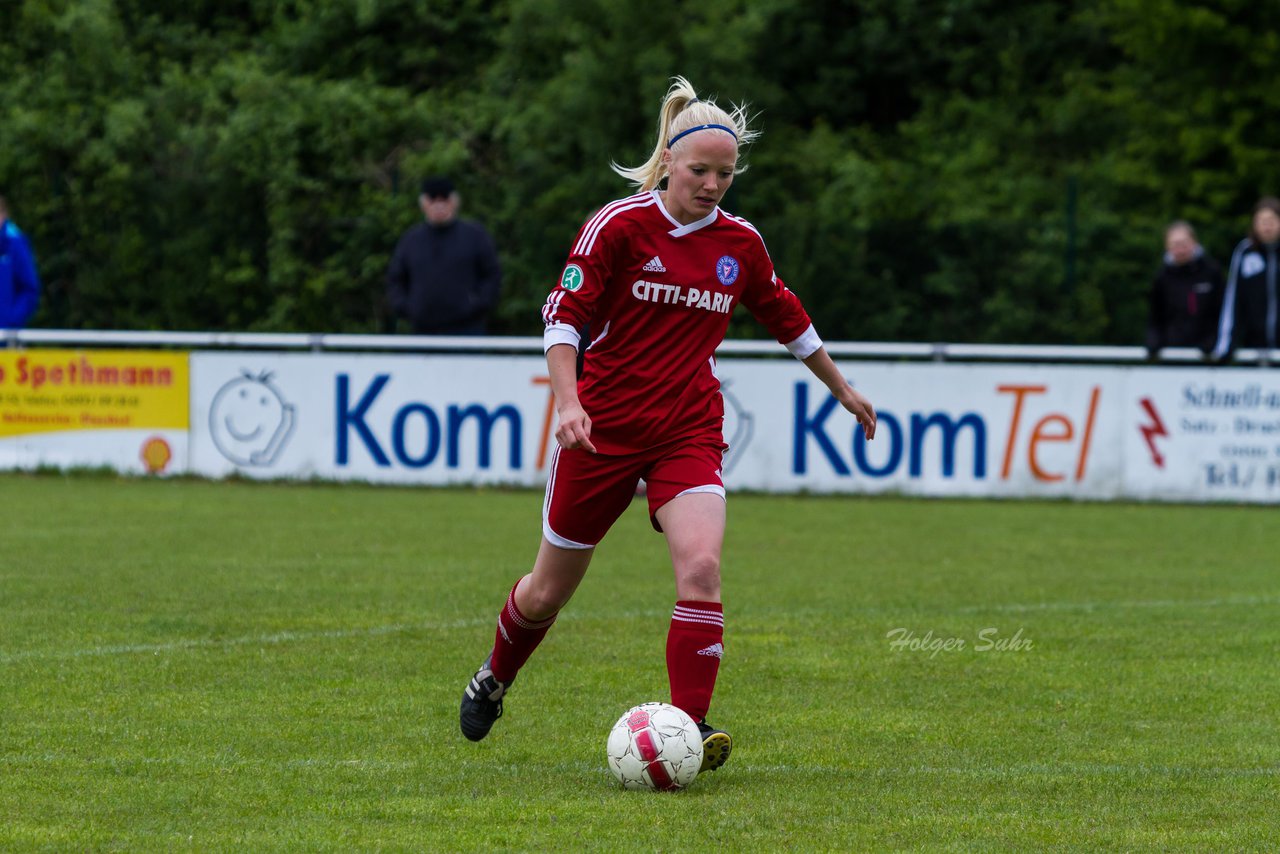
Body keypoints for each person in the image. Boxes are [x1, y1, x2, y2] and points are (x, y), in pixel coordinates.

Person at [458, 77, 877, 776]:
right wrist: (568, 401)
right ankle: (494, 677)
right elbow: (563, 318)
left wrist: (843, 387)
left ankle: (690, 723)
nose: (713, 185)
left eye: (726, 174)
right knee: (547, 591)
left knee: (703, 568)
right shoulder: (619, 227)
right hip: (603, 430)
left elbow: (785, 315)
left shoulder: (739, 244)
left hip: (687, 425)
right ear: (670, 164)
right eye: (700, 171)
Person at [385, 176, 501, 335]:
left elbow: (492, 275)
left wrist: (477, 304)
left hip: (467, 330)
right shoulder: (411, 240)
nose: (439, 204)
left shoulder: (475, 236)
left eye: (444, 198)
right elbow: (395, 279)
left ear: (454, 201)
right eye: (432, 199)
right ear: (423, 203)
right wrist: (408, 308)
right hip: (421, 331)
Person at [1213, 197, 1280, 361]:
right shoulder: (1245, 252)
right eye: (1262, 221)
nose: (1267, 226)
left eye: (1272, 220)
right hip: (1252, 347)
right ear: (1254, 224)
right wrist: (1226, 343)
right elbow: (1233, 298)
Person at [1145, 221, 1223, 358]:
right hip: (1171, 353)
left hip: (1207, 355)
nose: (1180, 249)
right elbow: (1155, 317)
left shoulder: (1211, 271)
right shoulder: (1161, 277)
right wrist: (1155, 341)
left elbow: (1222, 311)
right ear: (1167, 246)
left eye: (1184, 244)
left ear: (1194, 242)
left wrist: (1214, 340)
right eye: (1175, 244)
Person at [0, 195, 41, 329]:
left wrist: (10, 321)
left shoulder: (15, 243)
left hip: (6, 339)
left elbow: (29, 289)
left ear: (3, 216)